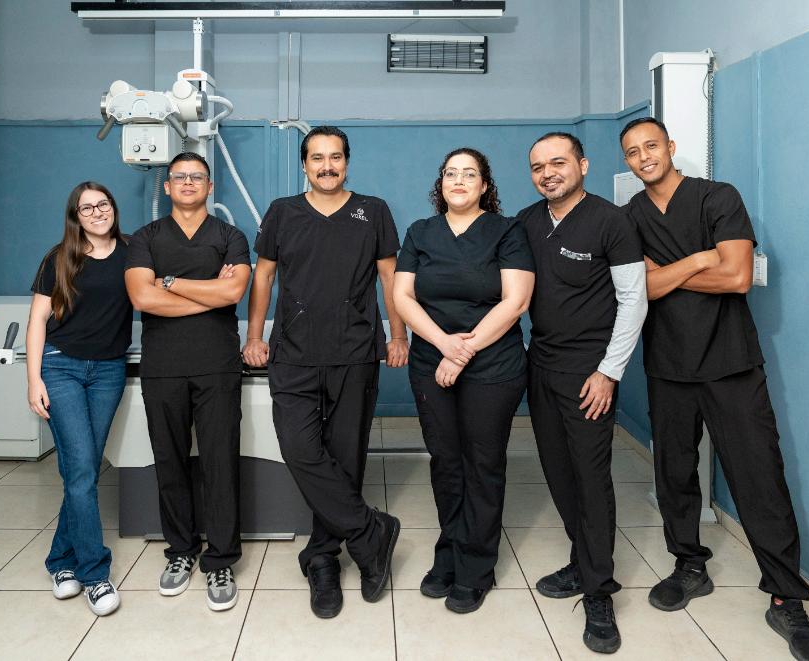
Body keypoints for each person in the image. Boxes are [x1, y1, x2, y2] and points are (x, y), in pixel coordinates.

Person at [620, 117, 809, 661]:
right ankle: (689, 565)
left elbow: (737, 277)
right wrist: (699, 259)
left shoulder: (718, 198)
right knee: (674, 474)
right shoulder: (631, 217)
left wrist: (666, 274)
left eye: (651, 146)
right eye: (633, 152)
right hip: (668, 366)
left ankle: (785, 597)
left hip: (730, 363)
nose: (644, 157)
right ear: (626, 162)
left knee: (758, 476)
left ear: (671, 147)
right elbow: (639, 289)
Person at [243, 126, 407, 619]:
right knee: (299, 448)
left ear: (347, 163)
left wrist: (397, 335)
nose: (327, 166)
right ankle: (369, 531)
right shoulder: (282, 212)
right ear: (305, 165)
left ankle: (323, 559)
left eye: (335, 157)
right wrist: (255, 336)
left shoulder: (373, 211)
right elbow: (264, 275)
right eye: (317, 158)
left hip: (354, 350)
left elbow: (390, 276)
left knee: (345, 458)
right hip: (293, 351)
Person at [515, 132, 647, 654]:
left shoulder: (612, 222)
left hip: (589, 372)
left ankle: (598, 590)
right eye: (538, 167)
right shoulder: (527, 222)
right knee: (558, 470)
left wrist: (609, 372)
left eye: (558, 162)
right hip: (541, 364)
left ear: (583, 165)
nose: (548, 173)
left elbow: (633, 300)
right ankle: (582, 559)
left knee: (591, 478)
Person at [393, 147, 535, 614]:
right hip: (431, 361)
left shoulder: (507, 231)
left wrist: (463, 351)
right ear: (441, 184)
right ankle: (449, 553)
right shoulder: (421, 232)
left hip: (492, 366)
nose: (458, 180)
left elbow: (515, 301)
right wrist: (442, 343)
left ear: (484, 186)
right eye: (450, 173)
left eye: (469, 174)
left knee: (482, 463)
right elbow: (402, 295)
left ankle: (476, 566)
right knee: (446, 462)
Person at [125, 152, 252, 612]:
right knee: (170, 461)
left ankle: (220, 559)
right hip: (163, 366)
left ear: (210, 186)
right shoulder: (145, 237)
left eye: (197, 176)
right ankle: (181, 551)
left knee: (220, 462)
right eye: (179, 176)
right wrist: (208, 295)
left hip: (217, 364)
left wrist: (170, 282)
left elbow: (234, 291)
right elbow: (142, 298)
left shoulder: (230, 236)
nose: (188, 182)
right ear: (167, 186)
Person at [26, 181, 132, 617]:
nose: (97, 212)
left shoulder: (132, 252)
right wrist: (33, 379)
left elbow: (166, 281)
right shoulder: (59, 258)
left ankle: (60, 561)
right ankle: (94, 574)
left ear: (113, 208)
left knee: (81, 469)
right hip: (61, 367)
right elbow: (37, 320)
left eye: (102, 204)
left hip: (108, 371)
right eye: (86, 208)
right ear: (76, 216)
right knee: (84, 469)